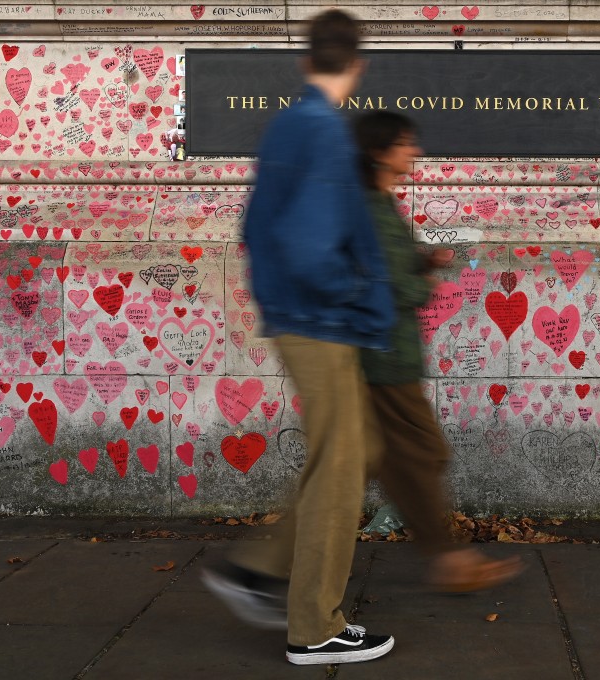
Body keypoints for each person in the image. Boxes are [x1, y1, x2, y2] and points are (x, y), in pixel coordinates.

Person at [201, 9, 397, 666]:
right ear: (359, 65)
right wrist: (357, 289)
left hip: (296, 315)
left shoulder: (289, 124)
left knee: (359, 447)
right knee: (340, 470)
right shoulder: (324, 133)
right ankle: (315, 625)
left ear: (306, 60)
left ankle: (255, 572)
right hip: (319, 321)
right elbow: (310, 247)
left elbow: (255, 229)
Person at [354, 111, 523, 593]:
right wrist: (421, 283)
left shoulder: (380, 202)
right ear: (380, 152)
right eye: (406, 143)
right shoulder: (369, 205)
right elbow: (382, 283)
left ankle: (275, 562)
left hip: (390, 354)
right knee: (419, 453)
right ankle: (448, 562)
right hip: (385, 357)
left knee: (380, 461)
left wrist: (423, 260)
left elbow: (387, 266)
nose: (416, 151)